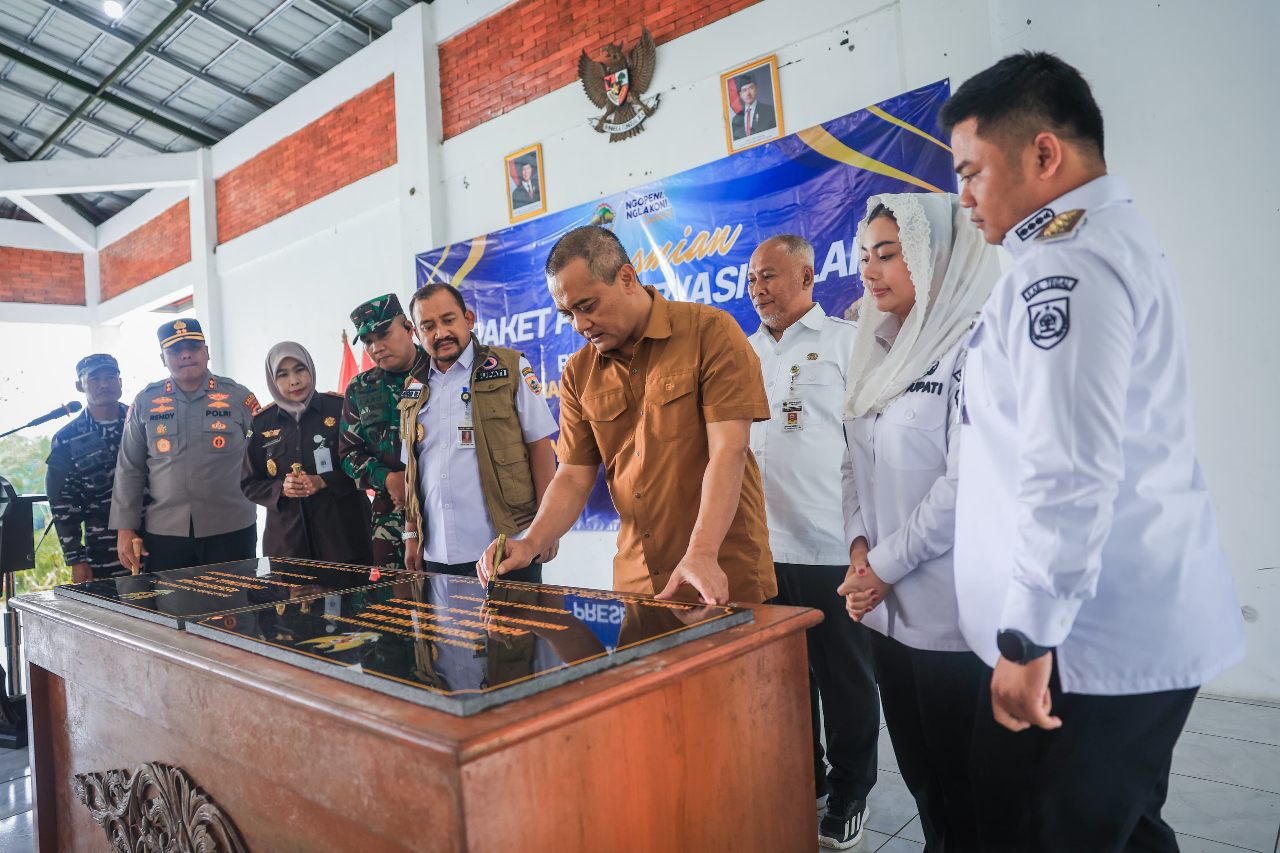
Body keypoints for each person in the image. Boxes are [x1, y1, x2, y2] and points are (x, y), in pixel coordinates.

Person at [940, 52, 1246, 852]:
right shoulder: (1084, 248)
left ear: (1044, 153)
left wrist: (1027, 637)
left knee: (1051, 830)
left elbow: (1069, 470)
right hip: (1096, 627)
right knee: (1118, 826)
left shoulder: (1066, 264)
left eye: (971, 172)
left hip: (1084, 639)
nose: (963, 197)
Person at [479, 225, 775, 606]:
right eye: (568, 314)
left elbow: (728, 450)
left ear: (627, 278)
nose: (580, 325)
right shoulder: (578, 373)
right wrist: (531, 542)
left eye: (587, 306)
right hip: (639, 587)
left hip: (721, 574)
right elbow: (572, 476)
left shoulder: (709, 332)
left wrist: (702, 551)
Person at [837, 193, 1001, 851]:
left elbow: (966, 486)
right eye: (864, 256)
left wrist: (880, 567)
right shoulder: (878, 346)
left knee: (970, 787)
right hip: (884, 611)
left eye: (888, 253)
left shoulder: (974, 347)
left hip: (952, 616)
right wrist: (858, 551)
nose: (870, 271)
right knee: (924, 779)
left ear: (936, 257)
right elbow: (852, 459)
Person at [745, 235, 876, 849]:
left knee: (845, 678)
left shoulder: (848, 344)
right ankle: (809, 779)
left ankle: (852, 788)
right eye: (752, 279)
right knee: (786, 681)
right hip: (761, 549)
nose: (758, 289)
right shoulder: (742, 352)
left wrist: (866, 542)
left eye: (769, 276)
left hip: (830, 546)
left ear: (806, 275)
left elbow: (869, 449)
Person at [398, 283, 558, 581]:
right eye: (428, 326)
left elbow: (540, 447)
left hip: (507, 547)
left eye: (448, 320)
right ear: (417, 334)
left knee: (514, 615)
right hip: (436, 553)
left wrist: (546, 529)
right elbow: (412, 471)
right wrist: (410, 533)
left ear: (468, 319)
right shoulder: (413, 388)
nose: (440, 333)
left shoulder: (509, 367)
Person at [110, 319, 259, 573]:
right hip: (166, 532)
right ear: (162, 358)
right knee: (171, 599)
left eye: (193, 347)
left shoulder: (239, 397)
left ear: (207, 352)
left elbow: (266, 452)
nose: (186, 355)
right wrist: (125, 528)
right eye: (175, 350)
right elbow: (130, 468)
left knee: (234, 598)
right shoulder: (146, 402)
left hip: (232, 527)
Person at [241, 342, 373, 565]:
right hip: (288, 545)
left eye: (300, 369)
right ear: (272, 379)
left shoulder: (341, 408)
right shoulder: (262, 422)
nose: (294, 381)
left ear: (310, 368)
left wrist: (324, 481)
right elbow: (249, 483)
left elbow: (366, 464)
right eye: (283, 374)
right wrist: (281, 489)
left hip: (345, 540)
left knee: (352, 589)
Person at [339, 293, 429, 568]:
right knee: (396, 593)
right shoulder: (360, 388)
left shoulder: (440, 370)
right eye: (368, 341)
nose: (376, 347)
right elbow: (349, 454)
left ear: (409, 328)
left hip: (445, 507)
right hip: (390, 519)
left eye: (383, 335)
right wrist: (387, 478)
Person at [45, 354, 129, 582]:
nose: (104, 384)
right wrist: (76, 558)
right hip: (104, 552)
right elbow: (63, 501)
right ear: (79, 385)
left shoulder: (143, 423)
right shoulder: (67, 438)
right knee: (111, 605)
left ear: (120, 382)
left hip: (159, 544)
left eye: (110, 377)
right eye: (94, 378)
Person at [731, 73, 777, 140]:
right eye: (744, 90)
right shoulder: (736, 119)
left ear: (756, 89)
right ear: (740, 94)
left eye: (751, 88)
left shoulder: (770, 111)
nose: (748, 93)